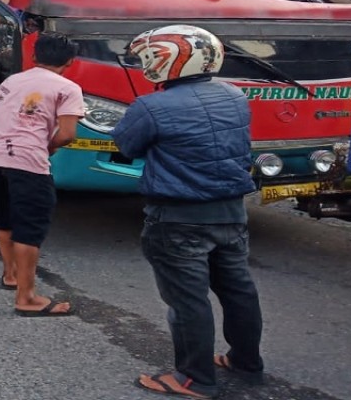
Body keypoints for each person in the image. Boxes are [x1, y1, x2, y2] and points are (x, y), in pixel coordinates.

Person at [111, 25, 264, 399]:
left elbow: (126, 145)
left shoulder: (152, 106)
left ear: (164, 61)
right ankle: (246, 362)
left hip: (178, 217)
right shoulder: (235, 95)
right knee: (239, 291)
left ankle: (194, 379)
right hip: (232, 212)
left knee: (187, 301)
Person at [0, 32, 82, 318]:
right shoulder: (68, 88)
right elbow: (68, 134)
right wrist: (47, 147)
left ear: (34, 56)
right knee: (29, 227)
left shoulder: (11, 81)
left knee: (4, 216)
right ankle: (26, 298)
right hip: (27, 161)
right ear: (70, 61)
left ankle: (10, 275)